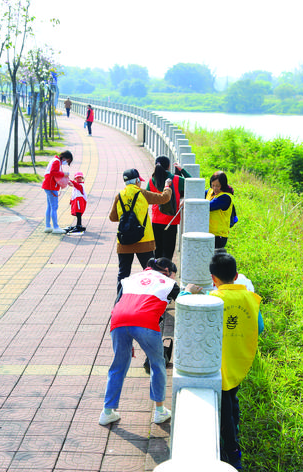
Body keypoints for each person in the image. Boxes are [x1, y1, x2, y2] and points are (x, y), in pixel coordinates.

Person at [184, 252, 263, 470]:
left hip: (218, 361)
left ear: (213, 278)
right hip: (239, 358)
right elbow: (260, 327)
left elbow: (189, 316)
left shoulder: (213, 299)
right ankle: (234, 432)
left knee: (224, 409)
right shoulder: (250, 297)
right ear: (236, 275)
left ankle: (232, 451)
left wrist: (186, 292)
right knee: (232, 398)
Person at [99, 257, 180, 426]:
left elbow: (118, 302)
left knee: (118, 366)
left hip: (118, 320)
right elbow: (183, 299)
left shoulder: (130, 279)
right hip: (145, 322)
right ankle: (159, 411)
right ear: (167, 271)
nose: (174, 279)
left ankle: (107, 412)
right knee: (157, 364)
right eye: (174, 275)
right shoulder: (167, 282)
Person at [109, 168, 172, 296]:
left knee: (123, 273)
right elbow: (164, 198)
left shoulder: (119, 196)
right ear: (137, 181)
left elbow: (112, 217)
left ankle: (119, 301)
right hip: (144, 240)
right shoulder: (142, 193)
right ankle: (152, 299)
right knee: (151, 271)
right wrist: (167, 186)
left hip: (124, 241)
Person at [146, 156, 191, 260]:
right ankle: (166, 273)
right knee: (168, 253)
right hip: (171, 220)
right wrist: (182, 170)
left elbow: (147, 197)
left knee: (157, 252)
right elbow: (193, 183)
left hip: (156, 220)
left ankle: (157, 273)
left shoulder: (152, 181)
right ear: (169, 166)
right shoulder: (176, 179)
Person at [42, 150, 73, 234]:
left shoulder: (55, 160)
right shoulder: (56, 162)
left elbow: (55, 174)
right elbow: (53, 172)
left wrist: (66, 179)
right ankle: (55, 227)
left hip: (48, 186)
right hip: (51, 187)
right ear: (65, 157)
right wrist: (64, 174)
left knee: (50, 207)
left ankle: (48, 226)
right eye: (67, 160)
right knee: (54, 207)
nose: (66, 162)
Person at [206, 171, 235, 249]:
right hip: (209, 232)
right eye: (213, 185)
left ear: (223, 185)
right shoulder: (210, 191)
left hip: (218, 236)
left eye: (218, 186)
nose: (215, 188)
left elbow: (207, 206)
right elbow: (197, 193)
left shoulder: (225, 198)